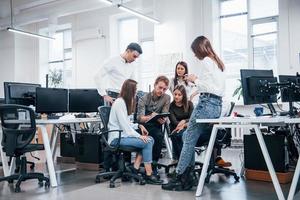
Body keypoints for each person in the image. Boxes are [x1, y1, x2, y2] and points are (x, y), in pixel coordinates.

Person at [162, 35, 226, 191]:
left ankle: (181, 177)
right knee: (186, 137)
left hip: (206, 104)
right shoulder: (217, 62)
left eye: (195, 51)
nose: (195, 55)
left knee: (188, 137)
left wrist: (194, 80)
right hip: (216, 105)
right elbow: (217, 88)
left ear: (199, 48)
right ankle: (188, 175)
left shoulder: (206, 61)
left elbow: (209, 88)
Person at [108, 79, 162, 184]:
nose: (136, 92)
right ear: (129, 90)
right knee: (148, 141)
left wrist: (139, 125)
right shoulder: (119, 103)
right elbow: (125, 127)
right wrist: (139, 136)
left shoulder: (124, 103)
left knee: (149, 140)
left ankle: (136, 168)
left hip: (123, 136)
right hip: (116, 138)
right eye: (135, 89)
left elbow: (127, 124)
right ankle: (149, 174)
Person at [137, 75, 171, 175]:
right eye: (160, 87)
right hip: (144, 125)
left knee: (158, 136)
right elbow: (139, 118)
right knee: (151, 136)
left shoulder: (167, 98)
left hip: (156, 125)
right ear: (155, 85)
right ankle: (145, 164)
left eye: (164, 89)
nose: (162, 91)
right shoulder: (144, 98)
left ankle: (154, 164)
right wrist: (151, 116)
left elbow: (165, 113)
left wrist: (163, 119)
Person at [169, 85, 194, 161]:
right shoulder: (171, 106)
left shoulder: (189, 104)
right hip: (175, 128)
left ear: (184, 95)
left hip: (187, 127)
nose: (176, 97)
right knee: (176, 135)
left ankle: (183, 160)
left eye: (179, 95)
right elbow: (174, 122)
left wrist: (184, 121)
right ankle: (180, 160)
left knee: (182, 135)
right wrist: (183, 121)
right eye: (175, 94)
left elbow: (192, 118)